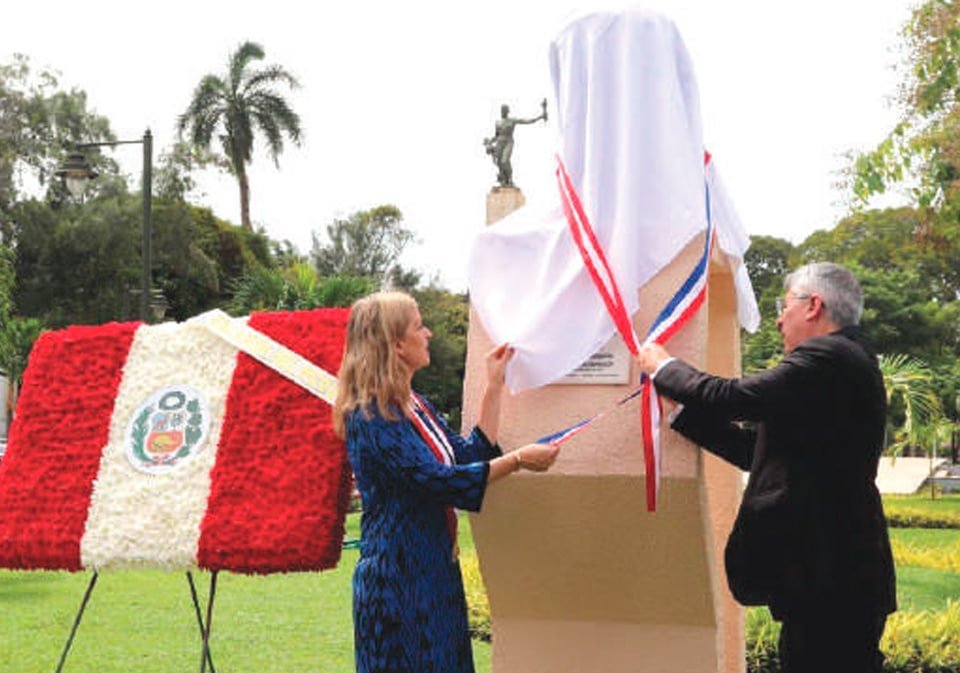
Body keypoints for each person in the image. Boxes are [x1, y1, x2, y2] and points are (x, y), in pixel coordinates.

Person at [636, 262, 896, 673]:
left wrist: (663, 367)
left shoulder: (829, 355)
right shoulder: (839, 366)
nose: (778, 319)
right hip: (826, 575)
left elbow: (735, 397)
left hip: (833, 575)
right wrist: (682, 415)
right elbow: (757, 452)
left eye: (784, 305)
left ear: (814, 306)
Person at [333, 290, 559, 673]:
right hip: (397, 582)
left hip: (433, 573)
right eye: (419, 326)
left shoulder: (414, 405)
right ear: (396, 344)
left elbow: (468, 457)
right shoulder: (371, 415)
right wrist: (519, 460)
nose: (429, 334)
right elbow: (437, 481)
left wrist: (493, 385)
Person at [482, 100, 547, 187]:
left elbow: (526, 121)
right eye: (502, 111)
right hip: (499, 143)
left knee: (505, 161)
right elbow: (497, 135)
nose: (502, 112)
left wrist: (539, 117)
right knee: (499, 163)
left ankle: (509, 178)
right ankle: (505, 180)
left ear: (507, 112)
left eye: (504, 110)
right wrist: (489, 142)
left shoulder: (512, 120)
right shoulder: (498, 122)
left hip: (508, 141)